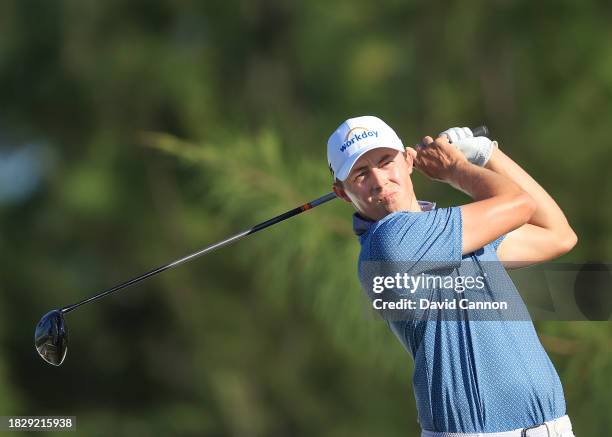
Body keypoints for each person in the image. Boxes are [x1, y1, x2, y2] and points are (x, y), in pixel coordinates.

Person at [326, 116, 578, 437]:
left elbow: (557, 235)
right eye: (361, 173)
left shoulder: (448, 231)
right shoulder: (389, 242)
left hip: (553, 427)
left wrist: (488, 153)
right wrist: (458, 168)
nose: (379, 180)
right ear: (342, 192)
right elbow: (518, 203)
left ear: (408, 161)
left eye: (386, 162)